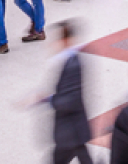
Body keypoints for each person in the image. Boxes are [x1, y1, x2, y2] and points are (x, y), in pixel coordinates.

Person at [44, 21, 92, 164]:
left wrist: (49, 100)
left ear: (65, 40)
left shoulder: (72, 64)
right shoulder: (71, 59)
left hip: (69, 130)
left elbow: (71, 99)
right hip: (74, 129)